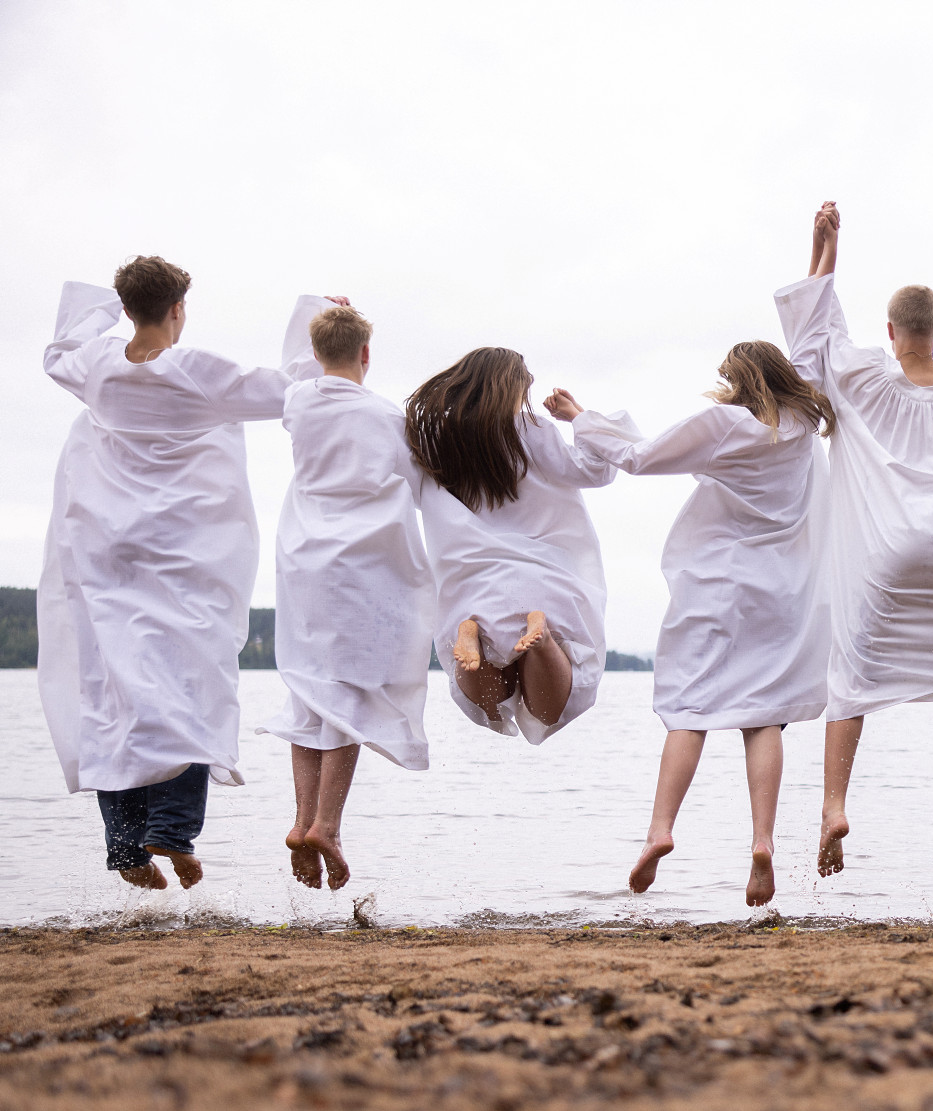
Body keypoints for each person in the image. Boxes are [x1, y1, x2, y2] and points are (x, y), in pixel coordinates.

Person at [39, 257, 312, 890]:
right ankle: (172, 830)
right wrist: (317, 318)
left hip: (108, 557)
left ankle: (125, 848)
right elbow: (289, 388)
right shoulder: (199, 372)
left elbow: (59, 352)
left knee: (115, 696)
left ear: (131, 308)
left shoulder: (99, 368)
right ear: (178, 310)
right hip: (186, 561)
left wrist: (105, 313)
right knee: (194, 689)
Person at [545, 341, 832, 907]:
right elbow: (814, 346)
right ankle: (762, 841)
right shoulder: (799, 425)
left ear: (736, 379)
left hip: (717, 583)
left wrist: (580, 419)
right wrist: (823, 255)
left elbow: (640, 457)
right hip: (780, 591)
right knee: (764, 715)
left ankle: (660, 829)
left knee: (687, 707)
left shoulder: (723, 425)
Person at [774, 201, 933, 877]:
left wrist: (825, 251)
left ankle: (834, 809)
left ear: (889, 331)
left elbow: (817, 339)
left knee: (849, 681)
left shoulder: (866, 376)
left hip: (888, 560)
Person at [264, 298, 435, 890]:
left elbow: (295, 356)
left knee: (311, 689)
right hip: (363, 569)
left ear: (315, 355)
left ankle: (301, 818)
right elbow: (422, 484)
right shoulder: (389, 418)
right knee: (356, 691)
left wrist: (321, 307)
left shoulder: (298, 401)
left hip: (304, 564)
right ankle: (327, 826)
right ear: (367, 354)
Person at [406, 348, 617, 742]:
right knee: (549, 708)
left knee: (490, 701)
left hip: (474, 581)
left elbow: (406, 484)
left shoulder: (440, 438)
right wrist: (578, 418)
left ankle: (473, 631)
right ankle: (543, 639)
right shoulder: (531, 429)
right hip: (546, 573)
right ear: (514, 388)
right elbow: (596, 470)